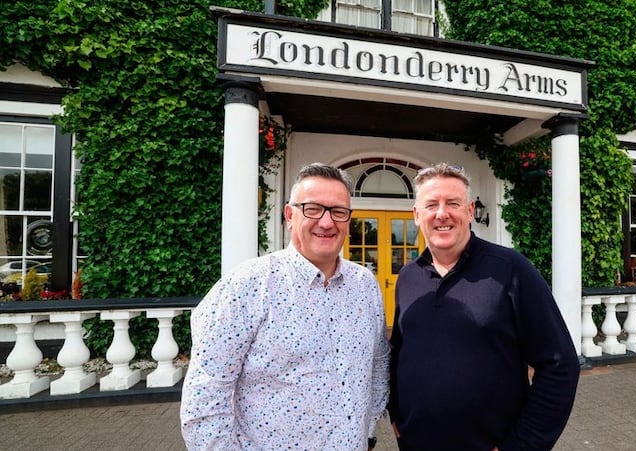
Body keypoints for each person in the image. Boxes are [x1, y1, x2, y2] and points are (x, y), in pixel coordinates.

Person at [181, 163, 389, 450]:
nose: (327, 222)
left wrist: (367, 432)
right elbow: (205, 398)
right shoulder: (247, 286)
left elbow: (377, 365)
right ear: (290, 215)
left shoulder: (365, 285)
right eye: (313, 208)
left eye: (338, 211)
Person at [388, 163, 580, 450]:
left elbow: (559, 363)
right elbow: (399, 351)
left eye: (453, 203)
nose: (442, 214)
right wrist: (396, 416)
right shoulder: (408, 276)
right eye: (431, 205)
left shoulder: (511, 269)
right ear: (416, 215)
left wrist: (522, 445)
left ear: (469, 210)